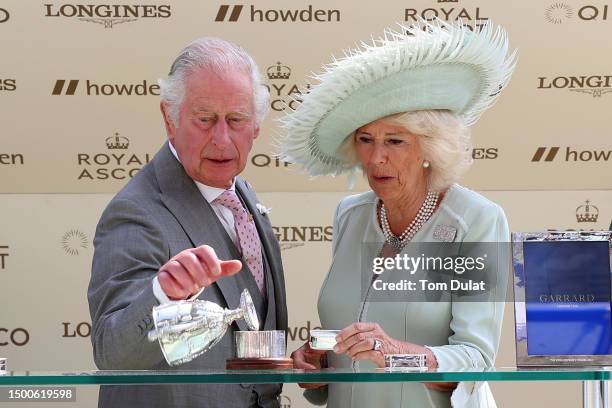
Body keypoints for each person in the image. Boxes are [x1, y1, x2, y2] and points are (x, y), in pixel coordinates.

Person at [281, 20, 517, 408]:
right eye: (365, 140)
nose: (376, 158)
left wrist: (397, 354)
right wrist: (318, 361)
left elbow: (475, 360)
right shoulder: (350, 215)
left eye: (394, 141)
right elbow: (349, 346)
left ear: (429, 148)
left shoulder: (473, 220)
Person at [88, 37, 287, 408]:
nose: (222, 138)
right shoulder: (136, 212)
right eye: (205, 119)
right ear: (169, 118)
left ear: (256, 125)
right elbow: (112, 352)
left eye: (237, 119)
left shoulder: (242, 194)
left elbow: (249, 330)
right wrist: (162, 295)